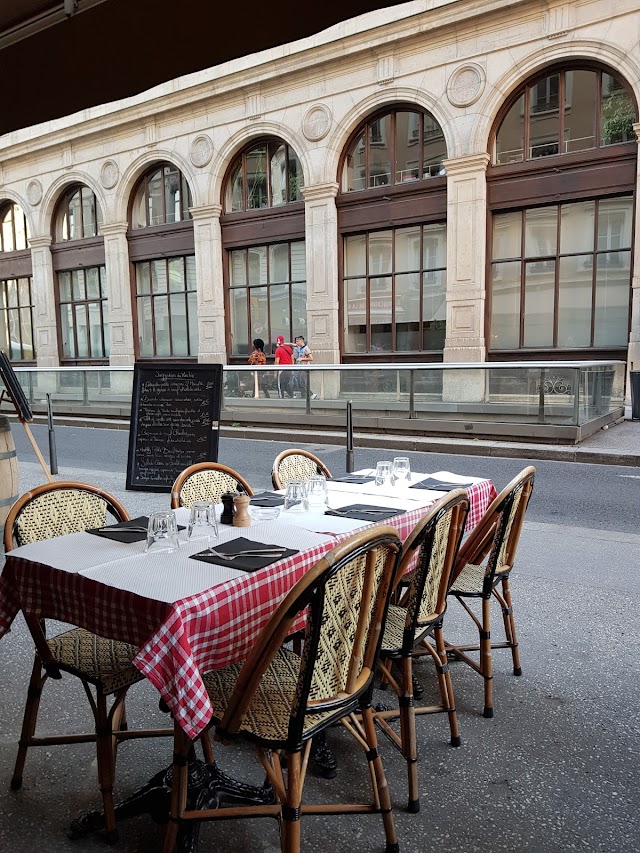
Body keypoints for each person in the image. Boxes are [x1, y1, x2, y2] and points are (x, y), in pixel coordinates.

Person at [292, 335, 317, 399]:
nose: (296, 343)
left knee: (302, 382)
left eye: (297, 341)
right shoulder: (298, 347)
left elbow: (311, 358)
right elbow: (292, 344)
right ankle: (303, 395)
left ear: (301, 341)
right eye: (296, 341)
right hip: (299, 367)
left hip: (304, 367)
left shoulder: (306, 348)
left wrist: (302, 359)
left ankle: (311, 394)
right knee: (299, 382)